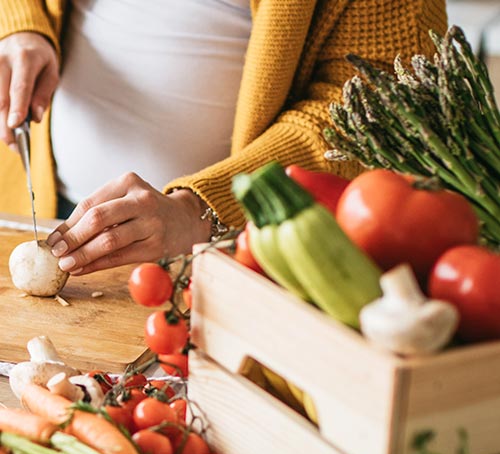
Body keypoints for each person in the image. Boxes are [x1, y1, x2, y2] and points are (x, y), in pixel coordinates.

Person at [0, 0, 447, 276]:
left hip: (238, 253)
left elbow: (378, 103)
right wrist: (20, 23)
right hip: (42, 208)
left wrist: (203, 209)